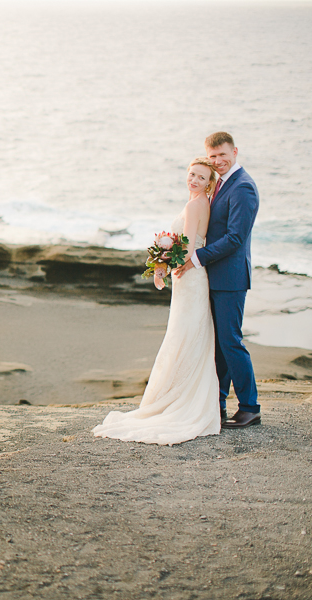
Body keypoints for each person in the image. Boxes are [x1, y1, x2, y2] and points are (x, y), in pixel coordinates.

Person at [93, 157, 220, 445]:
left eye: (201, 177)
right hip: (192, 278)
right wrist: (164, 260)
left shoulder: (194, 205)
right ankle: (182, 394)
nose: (194, 180)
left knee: (183, 335)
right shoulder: (202, 204)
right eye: (191, 174)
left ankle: (177, 399)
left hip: (189, 278)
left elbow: (186, 246)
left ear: (209, 182)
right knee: (189, 334)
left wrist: (163, 264)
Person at [172, 132, 260, 429]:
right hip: (214, 276)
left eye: (223, 155)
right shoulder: (220, 184)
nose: (218, 161)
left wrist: (195, 258)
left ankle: (250, 407)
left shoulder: (243, 187)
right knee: (219, 346)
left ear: (235, 151)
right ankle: (218, 403)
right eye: (212, 157)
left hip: (231, 278)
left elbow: (235, 238)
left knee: (231, 343)